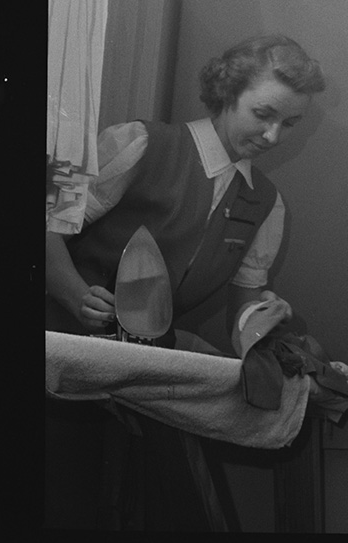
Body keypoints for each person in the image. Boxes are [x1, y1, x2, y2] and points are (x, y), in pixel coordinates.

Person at [45, 34, 326, 344]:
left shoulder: (266, 204)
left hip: (146, 358)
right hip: (56, 335)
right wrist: (75, 295)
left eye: (289, 123)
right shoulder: (140, 144)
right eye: (262, 114)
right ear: (227, 93)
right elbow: (47, 227)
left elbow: (242, 316)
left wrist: (263, 318)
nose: (272, 136)